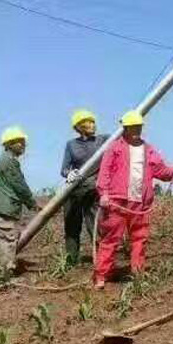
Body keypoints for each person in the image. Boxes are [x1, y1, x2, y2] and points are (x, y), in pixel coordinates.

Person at [94, 110, 173, 288]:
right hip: (117, 201)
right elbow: (104, 172)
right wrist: (103, 193)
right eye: (132, 127)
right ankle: (101, 276)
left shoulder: (148, 150)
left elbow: (161, 171)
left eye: (138, 127)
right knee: (111, 239)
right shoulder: (114, 148)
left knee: (139, 239)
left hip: (141, 204)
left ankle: (137, 275)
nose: (136, 130)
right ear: (125, 129)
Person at [60, 109, 108, 265]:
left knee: (96, 225)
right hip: (73, 192)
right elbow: (64, 169)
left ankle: (101, 262)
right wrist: (70, 173)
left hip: (93, 190)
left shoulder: (103, 140)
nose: (93, 124)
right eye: (88, 122)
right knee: (72, 228)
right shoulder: (71, 145)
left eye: (93, 121)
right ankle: (71, 261)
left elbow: (121, 138)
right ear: (79, 127)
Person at [0, 127, 37, 277]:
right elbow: (19, 186)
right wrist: (32, 203)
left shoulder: (0, 161)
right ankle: (6, 275)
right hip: (5, 208)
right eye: (20, 142)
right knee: (7, 241)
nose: (24, 145)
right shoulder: (9, 162)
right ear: (9, 144)